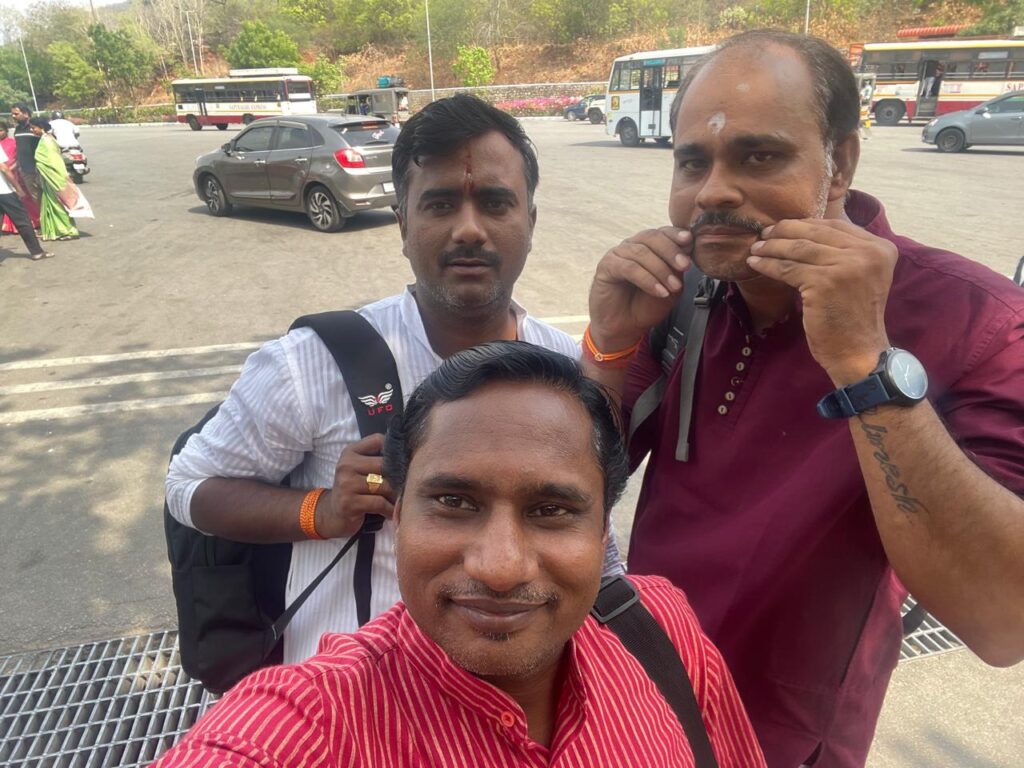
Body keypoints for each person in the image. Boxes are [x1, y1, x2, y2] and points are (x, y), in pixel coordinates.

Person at [584, 30, 1024, 767]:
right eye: (693, 161)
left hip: (783, 738)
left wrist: (864, 362)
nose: (714, 190)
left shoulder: (973, 319)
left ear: (841, 163)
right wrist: (606, 344)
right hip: (634, 692)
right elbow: (574, 485)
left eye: (759, 156)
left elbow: (1002, 618)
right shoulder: (685, 298)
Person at [165, 94, 624, 666]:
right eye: (439, 205)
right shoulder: (313, 363)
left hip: (518, 698)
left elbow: (599, 553)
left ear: (529, 223)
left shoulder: (569, 373)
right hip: (349, 705)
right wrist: (320, 510)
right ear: (403, 224)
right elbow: (188, 487)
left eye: (496, 203)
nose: (469, 230)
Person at [154, 342, 766, 767]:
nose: (500, 568)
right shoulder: (302, 726)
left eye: (552, 511)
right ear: (395, 513)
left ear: (603, 528)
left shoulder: (661, 628)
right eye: (453, 501)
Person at [0, 129, 53, 260]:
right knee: (23, 221)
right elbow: (4, 168)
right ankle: (37, 252)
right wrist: (18, 187)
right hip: (4, 191)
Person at [28, 118, 79, 241]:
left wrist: (53, 175)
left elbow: (53, 161)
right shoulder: (46, 139)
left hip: (53, 177)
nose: (32, 130)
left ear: (41, 127)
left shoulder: (47, 141)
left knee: (58, 205)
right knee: (50, 204)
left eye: (33, 127)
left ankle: (68, 230)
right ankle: (57, 230)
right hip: (48, 177)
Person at [8, 103, 41, 229]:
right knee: (35, 198)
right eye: (12, 113)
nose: (13, 116)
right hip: (25, 171)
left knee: (43, 197)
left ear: (26, 114)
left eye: (16, 113)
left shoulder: (35, 128)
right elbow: (20, 152)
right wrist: (13, 167)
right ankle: (42, 223)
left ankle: (50, 224)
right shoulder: (17, 130)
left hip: (38, 169)